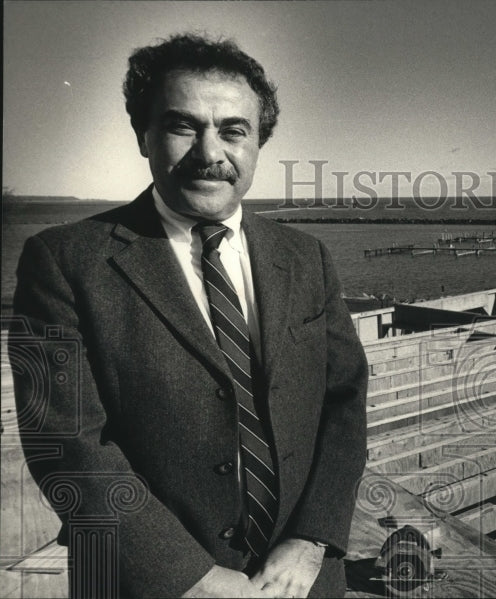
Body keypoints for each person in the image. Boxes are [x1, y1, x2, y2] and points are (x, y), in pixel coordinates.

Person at [10, 34, 367, 598]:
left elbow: (343, 406)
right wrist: (188, 578)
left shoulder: (307, 258)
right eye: (182, 126)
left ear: (257, 143)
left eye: (233, 130)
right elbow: (67, 444)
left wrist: (313, 539)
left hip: (300, 582)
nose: (209, 153)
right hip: (141, 583)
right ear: (142, 135)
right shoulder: (61, 261)